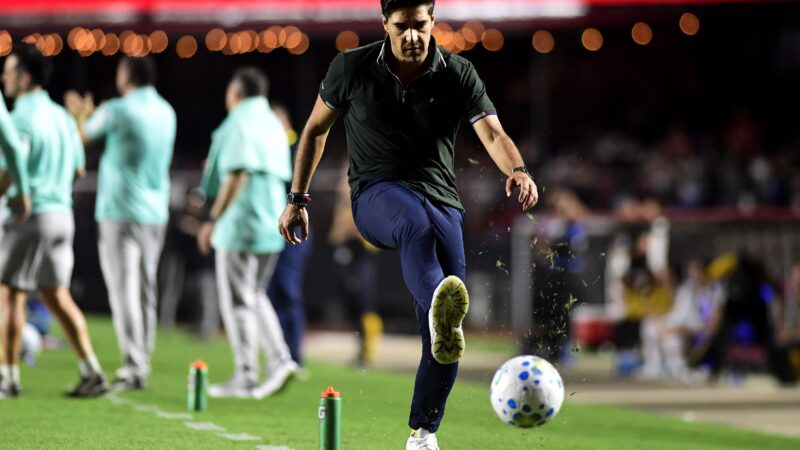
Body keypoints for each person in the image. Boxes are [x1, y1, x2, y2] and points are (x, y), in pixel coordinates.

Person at [277, 1, 538, 447]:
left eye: (421, 25)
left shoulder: (458, 72)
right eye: (403, 27)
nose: (413, 36)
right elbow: (315, 130)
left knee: (444, 334)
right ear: (385, 25)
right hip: (377, 194)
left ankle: (423, 433)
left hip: (442, 200)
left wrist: (518, 170)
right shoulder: (351, 67)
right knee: (416, 230)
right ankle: (438, 307)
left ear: (433, 21)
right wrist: (297, 198)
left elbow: (493, 133)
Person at [0, 42, 108, 398]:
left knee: (10, 293)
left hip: (30, 216)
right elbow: (79, 168)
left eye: (10, 69)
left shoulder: (21, 117)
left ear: (25, 76)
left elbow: (11, 170)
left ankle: (8, 377)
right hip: (63, 214)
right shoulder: (63, 116)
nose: (4, 75)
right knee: (57, 295)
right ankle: (92, 370)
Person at [65, 56, 176, 390]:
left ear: (126, 75)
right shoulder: (167, 111)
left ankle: (134, 365)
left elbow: (82, 136)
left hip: (121, 210)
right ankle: (144, 356)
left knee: (123, 290)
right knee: (145, 288)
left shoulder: (118, 108)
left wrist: (79, 113)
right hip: (156, 211)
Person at [197, 67, 297, 399]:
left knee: (238, 301)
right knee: (255, 295)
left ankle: (249, 373)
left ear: (235, 93)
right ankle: (280, 359)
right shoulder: (273, 122)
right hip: (272, 220)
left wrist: (212, 219)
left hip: (241, 222)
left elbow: (236, 174)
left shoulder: (238, 121)